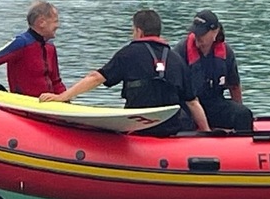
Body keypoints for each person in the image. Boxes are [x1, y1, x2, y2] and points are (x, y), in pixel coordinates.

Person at [39, 9, 210, 136]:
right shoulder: (176, 59)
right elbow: (193, 103)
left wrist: (62, 97)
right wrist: (206, 132)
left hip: (139, 129)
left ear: (139, 31)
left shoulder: (129, 53)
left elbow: (96, 78)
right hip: (170, 128)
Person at [0, 0, 67, 97]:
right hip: (24, 104)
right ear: (41, 23)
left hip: (48, 104)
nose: (58, 25)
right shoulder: (21, 42)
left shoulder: (50, 47)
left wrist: (65, 99)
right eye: (55, 21)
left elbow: (56, 81)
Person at [173, 10, 254, 131]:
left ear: (215, 32)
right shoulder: (180, 51)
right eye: (196, 33)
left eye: (202, 34)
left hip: (214, 103)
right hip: (188, 106)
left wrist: (239, 108)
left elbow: (234, 86)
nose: (198, 37)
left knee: (243, 114)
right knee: (183, 120)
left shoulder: (227, 53)